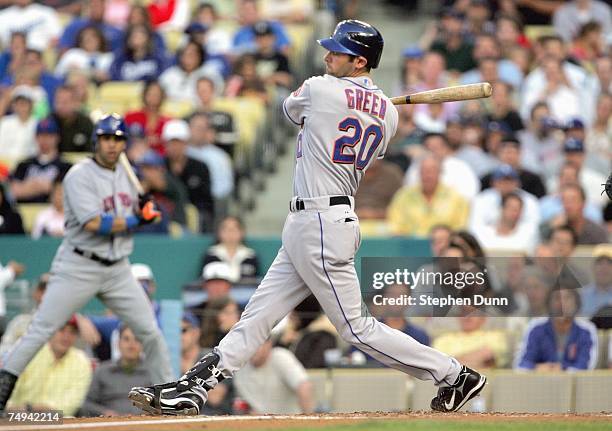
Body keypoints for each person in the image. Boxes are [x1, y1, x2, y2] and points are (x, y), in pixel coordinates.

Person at [129, 20, 487, 416]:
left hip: (321, 221)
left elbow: (289, 111)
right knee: (257, 316)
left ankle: (454, 375)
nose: (327, 55)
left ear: (360, 61)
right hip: (315, 222)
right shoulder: (389, 114)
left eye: (337, 51)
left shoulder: (320, 88)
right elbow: (363, 133)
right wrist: (366, 102)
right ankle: (194, 386)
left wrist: (344, 101)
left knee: (356, 329)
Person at [0, 114, 175, 413]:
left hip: (118, 267)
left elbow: (142, 210)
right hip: (79, 265)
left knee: (151, 333)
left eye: (118, 139)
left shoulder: (127, 173)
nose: (112, 144)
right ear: (96, 141)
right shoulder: (78, 175)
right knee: (41, 329)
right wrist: (138, 219)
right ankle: (3, 389)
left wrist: (146, 209)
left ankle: (168, 398)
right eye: (107, 138)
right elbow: (95, 223)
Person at [5, 317, 92, 415]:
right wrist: (33, 410)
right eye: (61, 329)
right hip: (18, 421)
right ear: (50, 331)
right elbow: (7, 398)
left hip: (59, 425)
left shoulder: (81, 361)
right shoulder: (29, 354)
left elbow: (69, 407)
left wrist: (29, 409)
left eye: (72, 332)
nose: (66, 336)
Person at [515, 288, 598, 371]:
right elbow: (521, 364)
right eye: (557, 298)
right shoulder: (536, 328)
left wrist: (562, 368)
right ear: (549, 302)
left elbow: (586, 366)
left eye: (567, 298)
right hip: (540, 380)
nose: (561, 303)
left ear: (576, 303)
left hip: (575, 382)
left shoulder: (586, 330)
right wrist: (536, 368)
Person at [387, 155, 470, 237]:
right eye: (424, 171)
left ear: (440, 172)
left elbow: (460, 230)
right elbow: (395, 227)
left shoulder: (456, 198)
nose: (428, 175)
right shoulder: (403, 196)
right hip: (410, 246)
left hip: (445, 247)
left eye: (432, 171)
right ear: (418, 173)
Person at [81, 325, 152, 416]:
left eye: (136, 339)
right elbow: (86, 405)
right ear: (118, 343)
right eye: (126, 339)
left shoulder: (153, 372)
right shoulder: (102, 371)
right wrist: (105, 413)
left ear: (143, 344)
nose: (131, 344)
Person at [162, 119, 214, 232]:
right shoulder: (159, 166)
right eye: (172, 142)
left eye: (179, 142)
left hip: (194, 218)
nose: (175, 146)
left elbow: (206, 201)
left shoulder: (200, 167)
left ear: (186, 143)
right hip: (166, 216)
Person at [8, 117, 72, 203]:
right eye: (41, 135)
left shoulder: (65, 165)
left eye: (49, 136)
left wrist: (30, 186)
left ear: (57, 138)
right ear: (36, 137)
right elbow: (13, 192)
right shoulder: (24, 164)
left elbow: (68, 193)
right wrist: (48, 187)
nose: (45, 140)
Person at [201, 216, 259, 282]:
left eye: (234, 230)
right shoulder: (211, 255)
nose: (230, 233)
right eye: (226, 230)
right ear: (219, 232)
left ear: (242, 232)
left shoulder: (251, 255)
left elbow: (257, 281)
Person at [124, 80, 170, 156]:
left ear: (162, 96)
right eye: (150, 94)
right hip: (133, 155)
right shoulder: (131, 116)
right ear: (144, 95)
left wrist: (159, 141)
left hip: (160, 160)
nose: (153, 97)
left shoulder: (168, 121)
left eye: (157, 94)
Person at [51, 85, 94, 153]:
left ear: (75, 103)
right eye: (57, 102)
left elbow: (91, 151)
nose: (60, 106)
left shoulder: (86, 123)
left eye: (65, 102)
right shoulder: (49, 122)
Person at [0, 86, 37, 161]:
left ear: (31, 104)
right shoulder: (5, 122)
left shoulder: (37, 123)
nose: (22, 106)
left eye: (25, 102)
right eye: (19, 103)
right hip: (5, 164)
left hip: (27, 165)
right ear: (14, 105)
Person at [580, 244, 612, 317]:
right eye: (600, 263)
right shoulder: (581, 297)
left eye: (609, 263)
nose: (604, 268)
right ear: (593, 267)